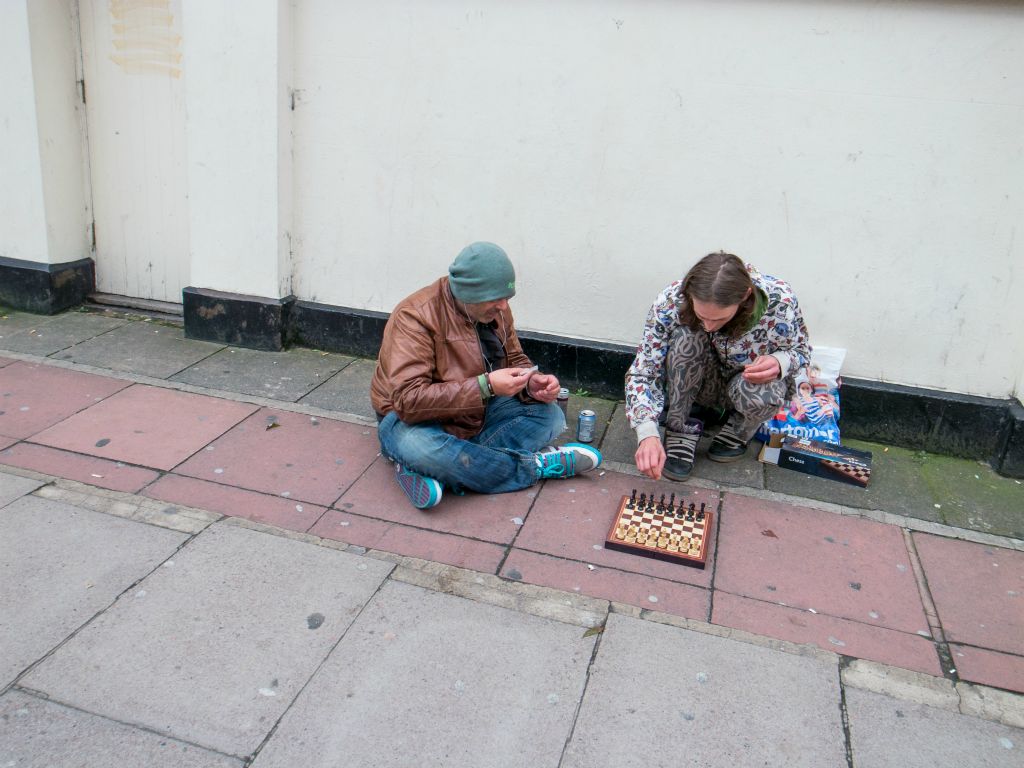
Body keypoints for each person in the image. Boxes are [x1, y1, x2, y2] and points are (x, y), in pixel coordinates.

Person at [370, 241, 602, 508]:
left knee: (550, 416)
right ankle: (533, 467)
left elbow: (514, 357)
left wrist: (530, 383)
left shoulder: (495, 308)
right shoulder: (414, 317)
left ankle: (439, 469)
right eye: (496, 299)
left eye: (507, 298)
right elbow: (407, 400)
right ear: (469, 294)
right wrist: (485, 386)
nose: (504, 306)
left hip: (473, 410)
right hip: (408, 418)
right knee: (420, 447)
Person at [625, 251, 811, 481]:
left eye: (719, 319)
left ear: (745, 296)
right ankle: (681, 427)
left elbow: (802, 351)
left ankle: (739, 428)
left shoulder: (780, 301)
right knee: (686, 337)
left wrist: (780, 361)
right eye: (701, 315)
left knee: (767, 390)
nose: (709, 326)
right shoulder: (669, 302)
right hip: (699, 381)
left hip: (746, 384)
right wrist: (646, 433)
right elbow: (644, 371)